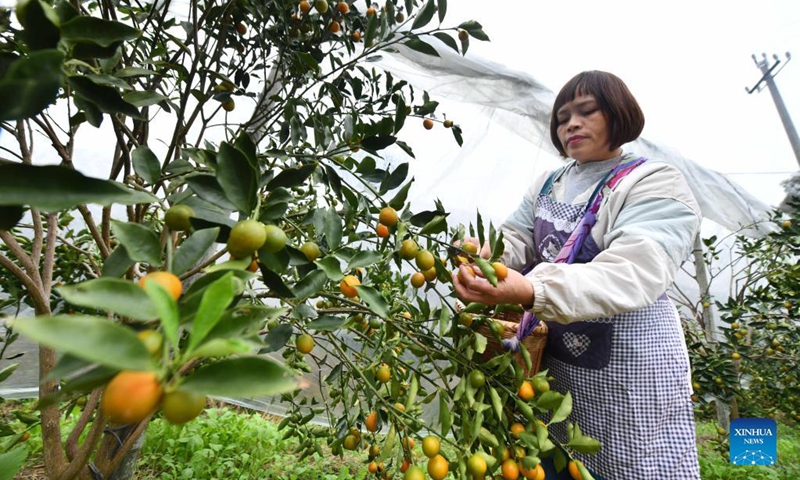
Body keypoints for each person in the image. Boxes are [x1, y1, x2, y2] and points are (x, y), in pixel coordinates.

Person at [452, 70, 702, 480]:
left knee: (626, 463)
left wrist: (532, 288)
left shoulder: (654, 181)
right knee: (559, 449)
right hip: (559, 361)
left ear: (620, 115)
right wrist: (486, 255)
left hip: (628, 366)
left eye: (587, 111)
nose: (571, 123)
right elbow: (517, 239)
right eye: (562, 117)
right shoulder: (550, 183)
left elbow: (633, 271)